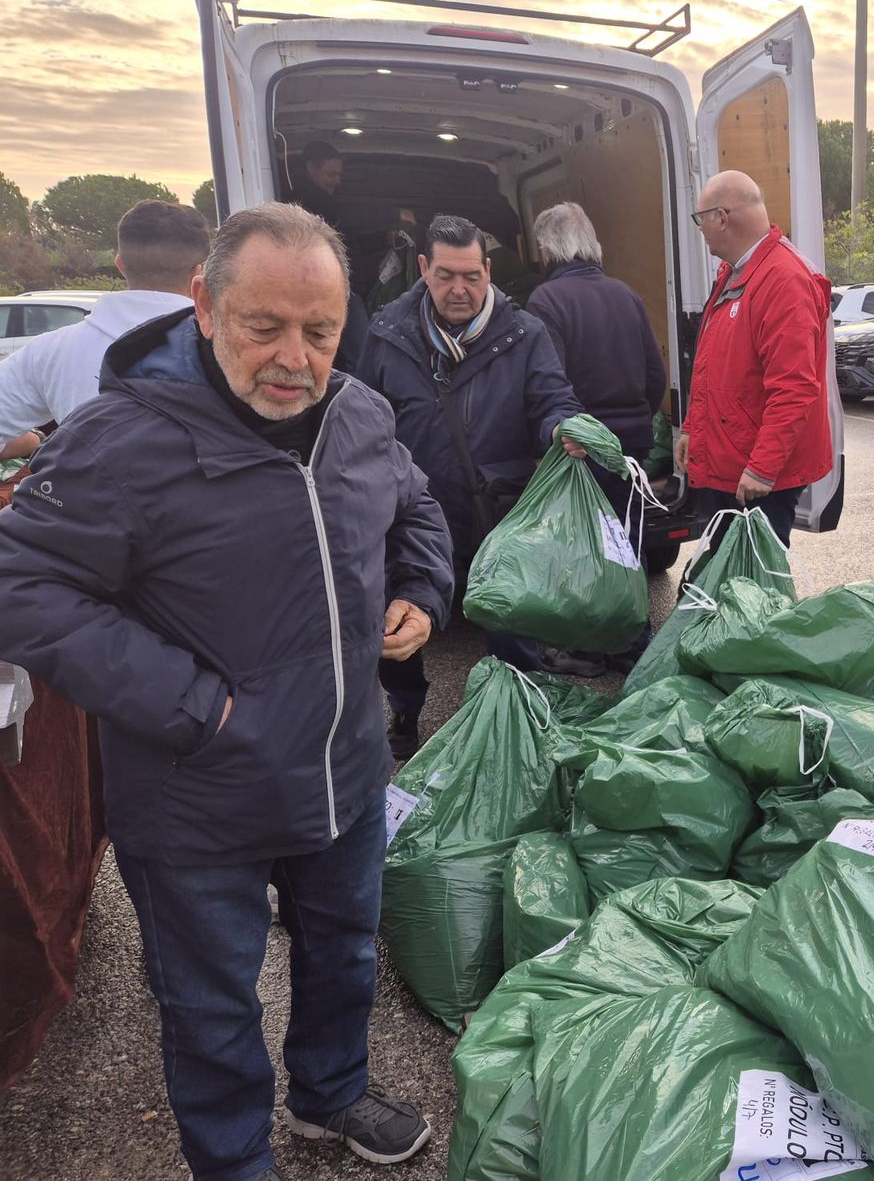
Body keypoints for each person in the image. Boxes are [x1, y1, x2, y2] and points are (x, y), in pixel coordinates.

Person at [0, 201, 454, 1181]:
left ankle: (331, 1093)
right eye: (264, 326)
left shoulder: (359, 412)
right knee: (210, 1007)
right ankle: (234, 1159)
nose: (294, 359)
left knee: (345, 955)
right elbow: (22, 586)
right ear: (205, 304)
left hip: (342, 773)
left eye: (320, 332)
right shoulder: (119, 440)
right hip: (196, 794)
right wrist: (196, 707)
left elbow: (415, 502)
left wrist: (421, 589)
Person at [361, 214, 586, 756]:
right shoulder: (388, 333)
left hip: (499, 507)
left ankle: (519, 716)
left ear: (488, 270)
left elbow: (553, 398)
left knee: (510, 622)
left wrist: (562, 426)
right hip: (413, 511)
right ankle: (405, 710)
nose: (459, 289)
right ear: (424, 268)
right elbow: (362, 415)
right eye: (445, 276)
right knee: (397, 617)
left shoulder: (525, 333)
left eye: (471, 276)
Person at [524, 200, 667, 671]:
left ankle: (587, 644)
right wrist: (637, 423)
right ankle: (631, 640)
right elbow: (654, 375)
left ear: (547, 249)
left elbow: (549, 382)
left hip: (581, 448)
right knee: (625, 541)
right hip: (630, 448)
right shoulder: (626, 294)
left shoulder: (547, 301)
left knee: (581, 545)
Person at [676, 170, 832, 548]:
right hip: (732, 462)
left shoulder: (784, 280)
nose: (700, 229)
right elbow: (716, 366)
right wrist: (692, 429)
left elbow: (794, 388)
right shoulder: (734, 272)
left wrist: (762, 468)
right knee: (726, 571)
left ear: (722, 218)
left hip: (757, 477)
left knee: (753, 576)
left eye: (701, 218)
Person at [0, 200, 211, 440]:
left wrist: (32, 444)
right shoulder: (228, 347)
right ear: (199, 272)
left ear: (120, 265)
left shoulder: (50, 351)